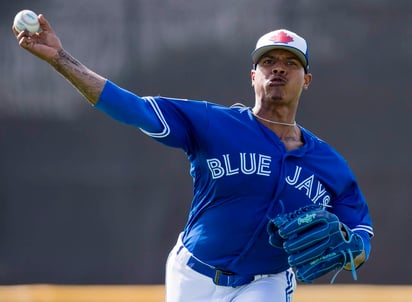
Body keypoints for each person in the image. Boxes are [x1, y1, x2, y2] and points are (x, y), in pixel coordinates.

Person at [13, 14, 373, 302]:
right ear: (253, 77)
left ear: (306, 80)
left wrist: (351, 246)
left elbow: (360, 232)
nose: (278, 69)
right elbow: (133, 108)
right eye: (268, 62)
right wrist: (60, 59)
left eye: (290, 63)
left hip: (267, 283)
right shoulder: (213, 124)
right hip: (193, 275)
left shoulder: (328, 164)